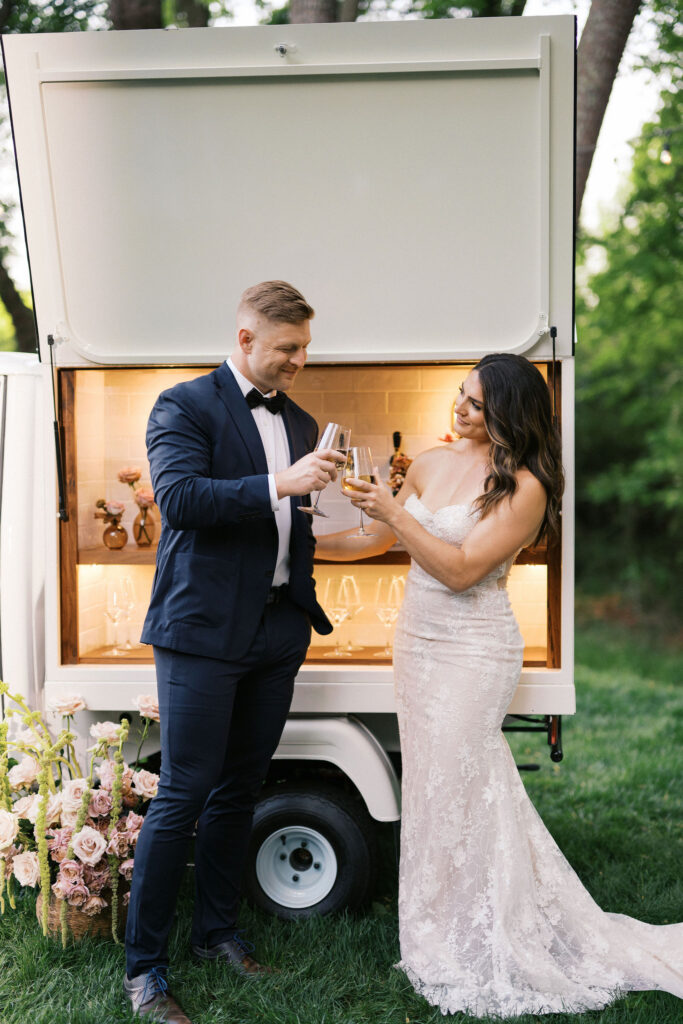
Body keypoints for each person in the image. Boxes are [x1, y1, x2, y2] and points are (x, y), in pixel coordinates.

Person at [318, 353, 683, 1017]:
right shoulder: (428, 461)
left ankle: (492, 934)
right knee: (431, 788)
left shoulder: (525, 485)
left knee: (464, 784)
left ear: (508, 415)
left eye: (475, 405)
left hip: (471, 649)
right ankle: (437, 932)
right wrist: (315, 529)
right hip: (418, 646)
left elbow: (459, 570)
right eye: (459, 396)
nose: (458, 410)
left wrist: (394, 518)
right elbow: (377, 539)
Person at [124, 281, 337, 1024]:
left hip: (277, 632)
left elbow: (297, 522)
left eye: (306, 347)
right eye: (288, 348)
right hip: (202, 633)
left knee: (239, 789)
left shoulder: (304, 420)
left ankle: (216, 933)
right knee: (183, 794)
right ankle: (145, 969)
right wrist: (281, 482)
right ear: (245, 339)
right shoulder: (183, 406)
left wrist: (333, 507)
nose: (300, 361)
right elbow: (180, 499)